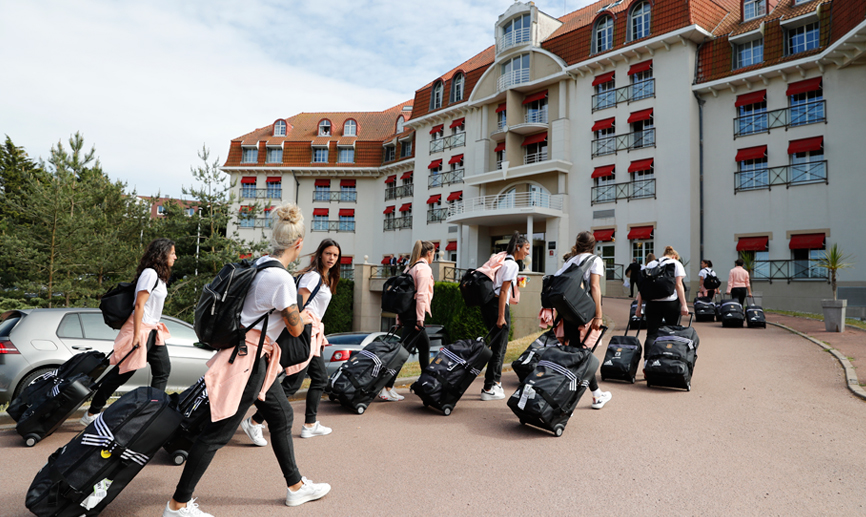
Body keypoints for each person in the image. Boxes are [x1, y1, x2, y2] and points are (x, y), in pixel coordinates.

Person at [163, 203, 329, 517]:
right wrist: (307, 317)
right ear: (299, 243)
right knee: (217, 433)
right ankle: (178, 505)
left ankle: (295, 487)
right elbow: (294, 328)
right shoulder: (280, 280)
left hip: (253, 357)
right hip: (249, 360)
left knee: (280, 417)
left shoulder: (260, 264)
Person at [242, 238, 342, 444]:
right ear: (320, 254)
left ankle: (310, 424)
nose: (332, 258)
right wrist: (303, 326)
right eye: (328, 254)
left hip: (312, 333)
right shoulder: (313, 277)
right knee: (293, 381)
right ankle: (254, 421)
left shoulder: (324, 278)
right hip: (304, 332)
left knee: (319, 378)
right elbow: (298, 306)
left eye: (335, 255)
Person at [80, 238, 177, 426]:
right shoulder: (150, 274)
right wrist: (136, 336)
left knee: (163, 369)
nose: (175, 256)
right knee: (122, 373)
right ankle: (91, 413)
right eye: (172, 253)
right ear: (163, 254)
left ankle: (153, 410)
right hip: (139, 329)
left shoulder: (160, 277)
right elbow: (139, 304)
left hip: (153, 331)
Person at [550, 231, 612, 409]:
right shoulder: (594, 260)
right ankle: (575, 395)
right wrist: (598, 316)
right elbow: (594, 287)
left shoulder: (570, 261)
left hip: (568, 312)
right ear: (593, 245)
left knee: (578, 352)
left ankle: (595, 394)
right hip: (583, 312)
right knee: (583, 354)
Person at [379, 240, 435, 401]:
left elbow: (401, 297)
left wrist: (399, 318)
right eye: (433, 254)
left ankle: (426, 384)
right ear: (429, 253)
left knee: (423, 348)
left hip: (407, 314)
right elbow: (421, 296)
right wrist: (420, 319)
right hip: (414, 315)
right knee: (402, 353)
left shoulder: (409, 267)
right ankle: (386, 387)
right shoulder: (423, 268)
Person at [480, 232, 529, 401]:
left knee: (497, 347)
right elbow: (503, 291)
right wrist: (501, 316)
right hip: (498, 307)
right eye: (526, 248)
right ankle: (488, 387)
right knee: (499, 349)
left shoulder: (501, 259)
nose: (528, 252)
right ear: (518, 247)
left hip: (488, 305)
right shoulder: (512, 265)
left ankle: (496, 383)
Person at [634, 246, 689, 357]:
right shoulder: (676, 263)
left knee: (651, 334)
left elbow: (642, 288)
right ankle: (668, 360)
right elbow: (678, 285)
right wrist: (684, 305)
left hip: (652, 303)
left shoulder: (650, 264)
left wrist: (638, 306)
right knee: (672, 332)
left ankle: (647, 362)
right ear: (674, 256)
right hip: (671, 302)